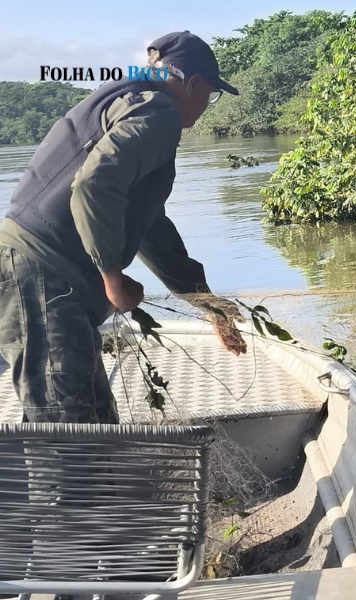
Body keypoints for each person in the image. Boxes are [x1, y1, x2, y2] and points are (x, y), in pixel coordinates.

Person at [0, 31, 247, 425]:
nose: (208, 104)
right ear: (193, 83)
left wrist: (207, 303)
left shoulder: (133, 101)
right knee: (65, 429)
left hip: (48, 275)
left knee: (95, 422)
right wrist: (112, 278)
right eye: (211, 94)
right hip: (39, 273)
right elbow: (94, 187)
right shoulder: (158, 112)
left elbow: (150, 228)